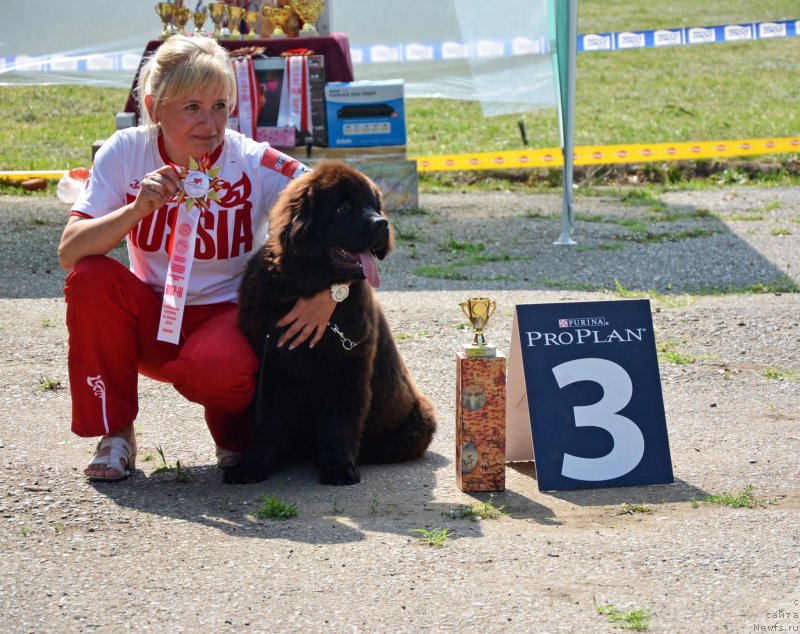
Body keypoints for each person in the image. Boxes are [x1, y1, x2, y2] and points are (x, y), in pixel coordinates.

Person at [58, 35, 340, 482]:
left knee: (221, 373)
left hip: (228, 319)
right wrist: (136, 210)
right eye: (192, 107)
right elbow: (70, 251)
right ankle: (116, 434)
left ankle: (233, 432)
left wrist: (331, 293)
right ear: (153, 107)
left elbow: (344, 209)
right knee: (91, 277)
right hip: (150, 321)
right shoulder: (125, 150)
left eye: (221, 106)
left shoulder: (253, 159)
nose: (210, 124)